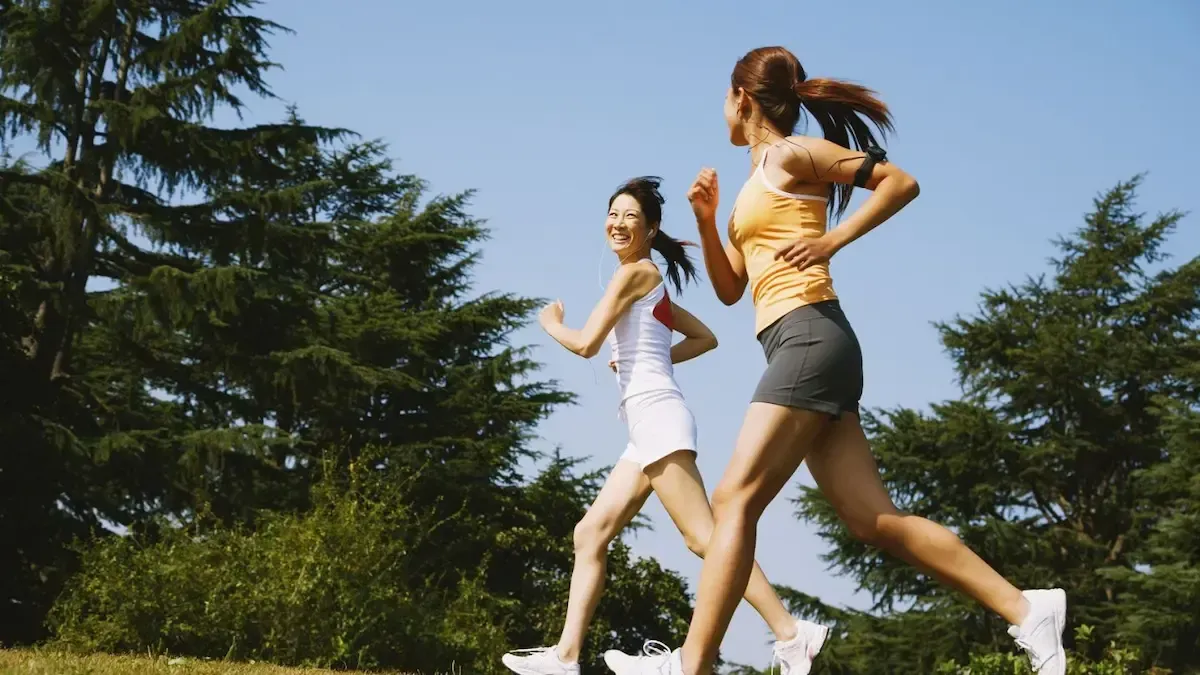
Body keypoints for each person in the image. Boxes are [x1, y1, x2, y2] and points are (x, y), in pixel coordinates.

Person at [603, 47, 1067, 675]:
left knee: (734, 499)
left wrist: (831, 239)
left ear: (742, 98)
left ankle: (692, 663)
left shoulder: (795, 152)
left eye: (723, 98)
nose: (722, 110)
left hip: (810, 336)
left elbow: (899, 182)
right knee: (872, 519)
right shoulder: (751, 185)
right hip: (802, 344)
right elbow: (733, 288)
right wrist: (707, 223)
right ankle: (1026, 609)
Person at [501, 177, 829, 675]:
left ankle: (790, 632)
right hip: (646, 423)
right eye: (613, 213)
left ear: (651, 229)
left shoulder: (635, 274)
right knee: (590, 533)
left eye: (631, 216)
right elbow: (706, 337)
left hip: (657, 416)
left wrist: (551, 324)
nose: (618, 222)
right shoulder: (647, 281)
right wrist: (647, 358)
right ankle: (565, 658)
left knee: (704, 538)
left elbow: (586, 343)